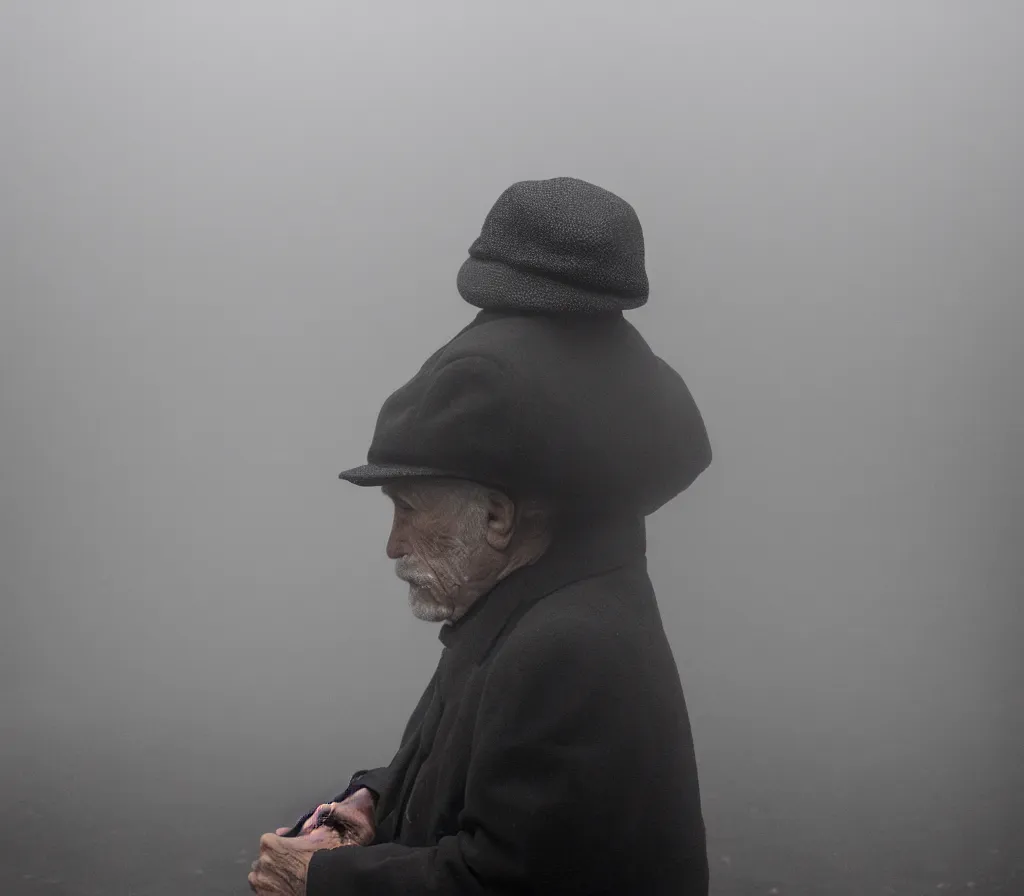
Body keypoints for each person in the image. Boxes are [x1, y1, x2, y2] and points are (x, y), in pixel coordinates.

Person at [248, 176, 713, 895]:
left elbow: (508, 882)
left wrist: (326, 881)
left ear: (498, 516)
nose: (394, 544)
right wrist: (375, 798)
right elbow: (474, 771)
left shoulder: (565, 647)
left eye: (407, 505)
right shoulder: (525, 604)